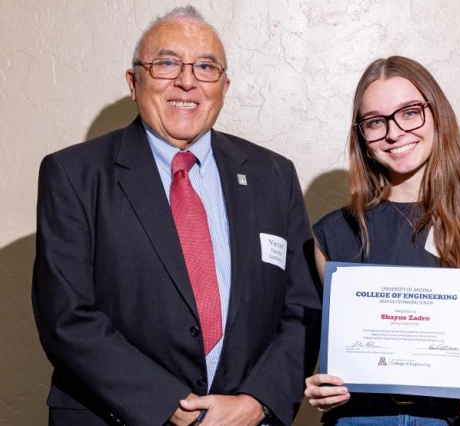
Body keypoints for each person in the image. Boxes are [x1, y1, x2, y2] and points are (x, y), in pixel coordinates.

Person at [32, 6, 321, 426]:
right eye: (167, 63)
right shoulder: (73, 175)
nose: (187, 80)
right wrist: (170, 404)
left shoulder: (273, 175)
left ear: (224, 85)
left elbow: (301, 310)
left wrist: (257, 402)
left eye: (205, 66)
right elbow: (66, 317)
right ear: (134, 82)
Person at [304, 56, 460, 426]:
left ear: (436, 113)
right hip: (358, 419)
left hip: (455, 420)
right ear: (361, 133)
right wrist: (319, 389)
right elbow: (328, 355)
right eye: (375, 121)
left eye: (409, 113)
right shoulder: (332, 234)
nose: (394, 132)